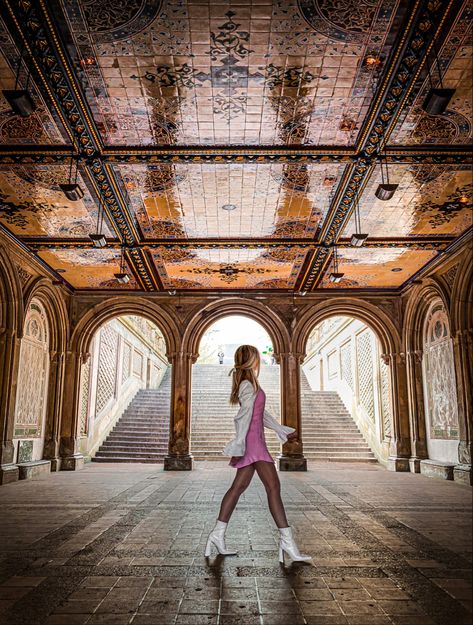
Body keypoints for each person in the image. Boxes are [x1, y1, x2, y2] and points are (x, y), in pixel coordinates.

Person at [204, 344, 312, 565]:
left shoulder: (250, 382)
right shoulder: (247, 384)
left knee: (238, 488)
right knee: (273, 488)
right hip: (253, 444)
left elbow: (260, 414)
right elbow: (243, 416)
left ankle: (217, 535)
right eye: (255, 355)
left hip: (255, 441)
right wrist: (239, 442)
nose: (258, 359)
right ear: (250, 358)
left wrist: (281, 430)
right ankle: (287, 543)